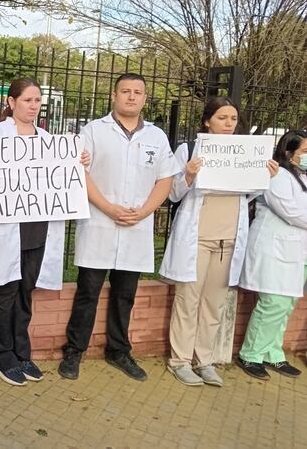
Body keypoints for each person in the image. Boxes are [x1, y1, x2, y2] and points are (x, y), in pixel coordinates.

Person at [58, 72, 181, 381]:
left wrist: (144, 212)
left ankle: (119, 351)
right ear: (114, 95)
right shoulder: (93, 131)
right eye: (125, 91)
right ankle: (74, 352)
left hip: (136, 225)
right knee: (88, 291)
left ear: (144, 98)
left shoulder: (156, 137)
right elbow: (80, 173)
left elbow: (166, 179)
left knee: (125, 294)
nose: (131, 96)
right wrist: (108, 207)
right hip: (100, 220)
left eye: (137, 92)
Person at [0, 78, 89, 386]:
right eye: (27, 100)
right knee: (4, 290)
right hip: (7, 227)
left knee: (25, 291)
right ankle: (2, 354)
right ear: (11, 102)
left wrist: (78, 162)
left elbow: (62, 177)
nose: (33, 106)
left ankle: (22, 352)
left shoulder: (48, 139)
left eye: (37, 101)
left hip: (37, 228)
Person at [160, 97, 278, 386]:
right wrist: (188, 174)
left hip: (228, 239)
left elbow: (247, 195)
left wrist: (265, 177)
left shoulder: (244, 154)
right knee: (188, 301)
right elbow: (173, 194)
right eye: (222, 118)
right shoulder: (189, 150)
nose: (228, 124)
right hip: (196, 239)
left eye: (233, 119)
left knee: (214, 304)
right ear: (207, 121)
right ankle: (180, 360)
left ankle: (205, 360)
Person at [236, 130, 307, 380]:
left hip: (296, 252)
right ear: (289, 152)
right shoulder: (277, 175)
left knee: (286, 305)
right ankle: (250, 354)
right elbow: (291, 211)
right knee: (272, 304)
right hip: (273, 249)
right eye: (305, 151)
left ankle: (272, 353)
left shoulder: (303, 176)